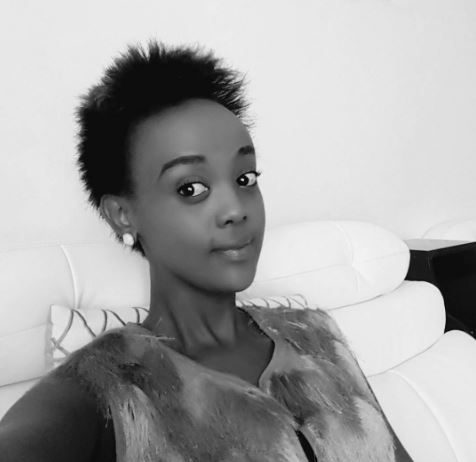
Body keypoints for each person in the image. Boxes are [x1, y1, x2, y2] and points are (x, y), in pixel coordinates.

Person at [0, 41, 413, 462]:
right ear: (122, 215)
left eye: (246, 178)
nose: (236, 209)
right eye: (191, 188)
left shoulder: (317, 335)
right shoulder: (101, 390)